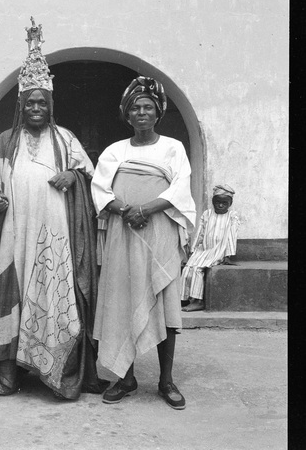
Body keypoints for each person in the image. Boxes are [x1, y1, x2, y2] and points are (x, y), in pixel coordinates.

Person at [0, 18, 106, 400]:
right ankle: (9, 373)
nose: (35, 107)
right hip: (13, 236)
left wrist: (71, 177)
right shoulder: (3, 142)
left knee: (56, 299)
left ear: (50, 106)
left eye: (41, 102)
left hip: (55, 240)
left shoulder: (66, 140)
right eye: (29, 101)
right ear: (20, 105)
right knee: (5, 298)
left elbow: (91, 180)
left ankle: (56, 373)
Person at [91, 76, 196, 410]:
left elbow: (181, 186)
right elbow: (100, 189)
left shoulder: (173, 148)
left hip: (159, 231)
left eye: (147, 107)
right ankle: (126, 377)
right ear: (127, 113)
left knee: (163, 299)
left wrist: (147, 208)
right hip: (124, 234)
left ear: (157, 112)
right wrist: (125, 210)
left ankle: (166, 381)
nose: (141, 113)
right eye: (135, 108)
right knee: (123, 301)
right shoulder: (115, 150)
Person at [181, 185, 240, 312]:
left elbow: (231, 236)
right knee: (187, 268)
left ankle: (198, 301)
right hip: (203, 250)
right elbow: (200, 233)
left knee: (197, 269)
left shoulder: (232, 216)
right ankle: (185, 298)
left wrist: (227, 255)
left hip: (218, 250)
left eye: (224, 203)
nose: (220, 205)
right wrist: (194, 250)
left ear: (230, 203)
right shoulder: (207, 214)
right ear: (213, 201)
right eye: (217, 202)